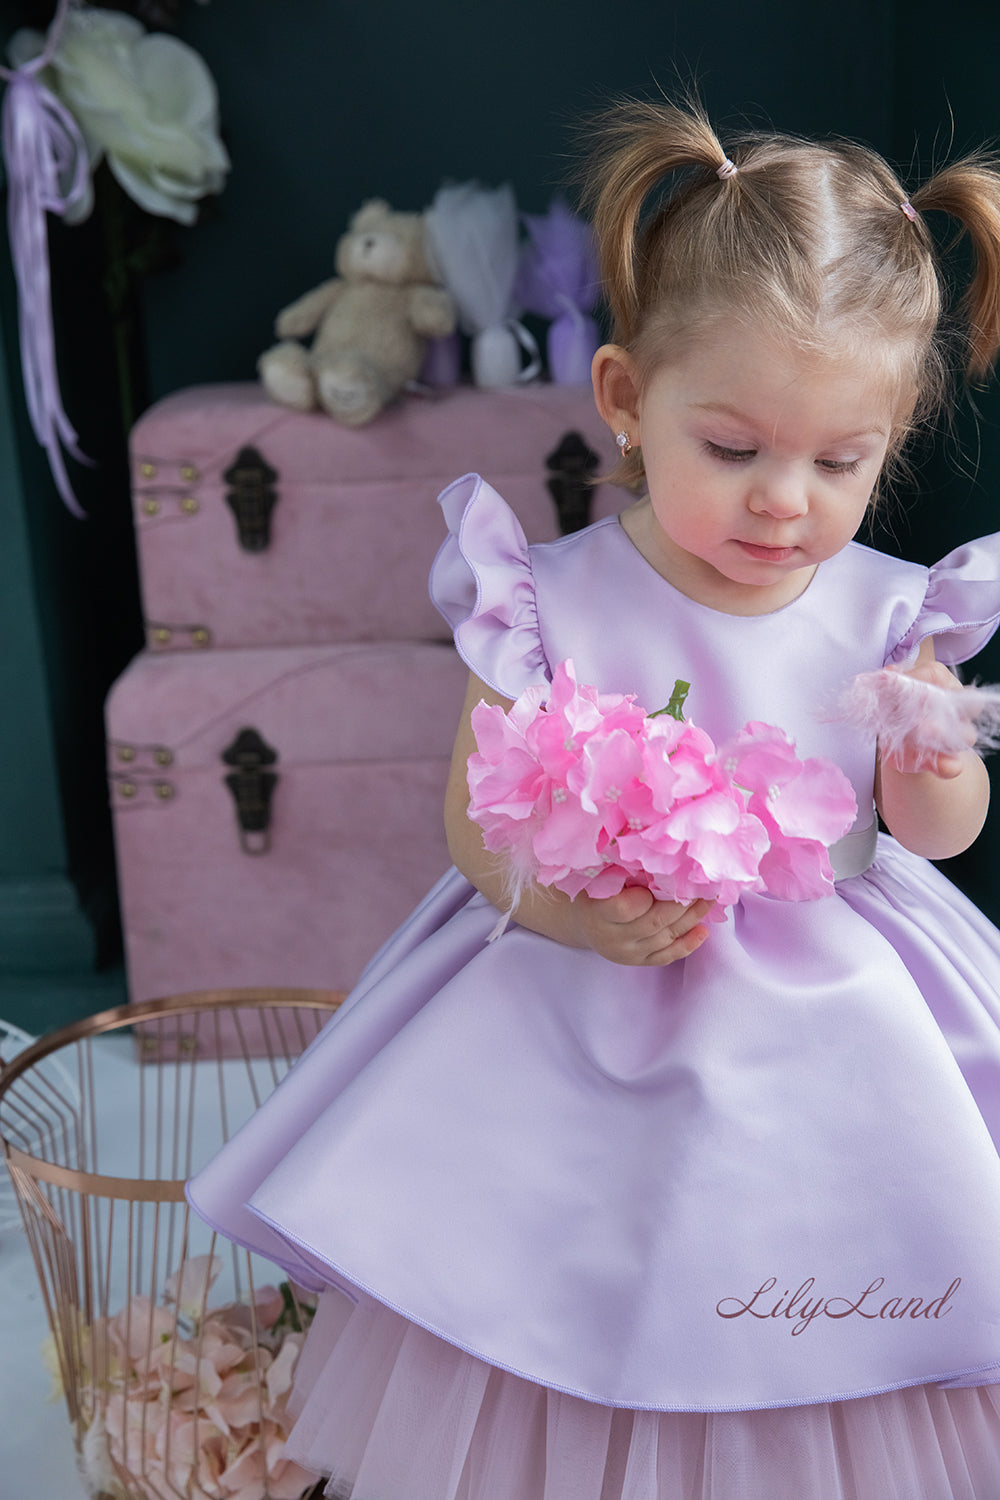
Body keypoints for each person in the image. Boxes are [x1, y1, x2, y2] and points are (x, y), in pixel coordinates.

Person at [188, 97, 1000, 1499]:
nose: (783, 504)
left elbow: (935, 835)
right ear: (626, 399)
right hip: (587, 985)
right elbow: (473, 825)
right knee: (567, 1279)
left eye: (839, 462)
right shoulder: (546, 599)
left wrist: (936, 769)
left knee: (822, 1268)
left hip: (840, 1008)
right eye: (733, 449)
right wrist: (574, 912)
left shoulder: (890, 614)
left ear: (889, 439)